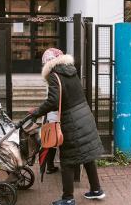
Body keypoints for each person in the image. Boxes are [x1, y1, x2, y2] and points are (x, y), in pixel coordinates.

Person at [30, 48, 105, 205]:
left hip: (71, 120)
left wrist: (36, 111)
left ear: (47, 64)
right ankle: (96, 190)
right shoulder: (71, 71)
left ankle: (68, 199)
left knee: (67, 160)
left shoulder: (54, 75)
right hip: (84, 116)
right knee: (87, 156)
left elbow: (53, 101)